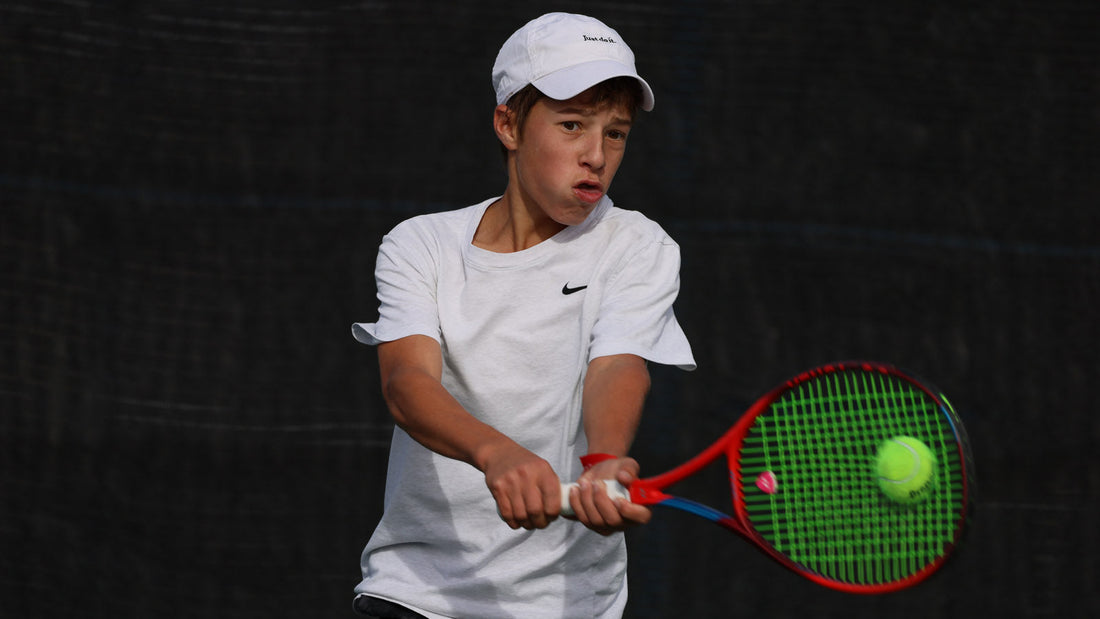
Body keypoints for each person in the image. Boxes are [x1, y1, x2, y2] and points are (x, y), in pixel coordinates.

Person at [350, 12, 695, 619]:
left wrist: (604, 460)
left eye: (615, 134)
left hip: (566, 605)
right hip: (414, 595)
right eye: (571, 126)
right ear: (508, 123)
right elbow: (407, 385)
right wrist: (496, 453)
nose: (596, 155)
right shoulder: (420, 245)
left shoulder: (639, 246)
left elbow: (617, 365)